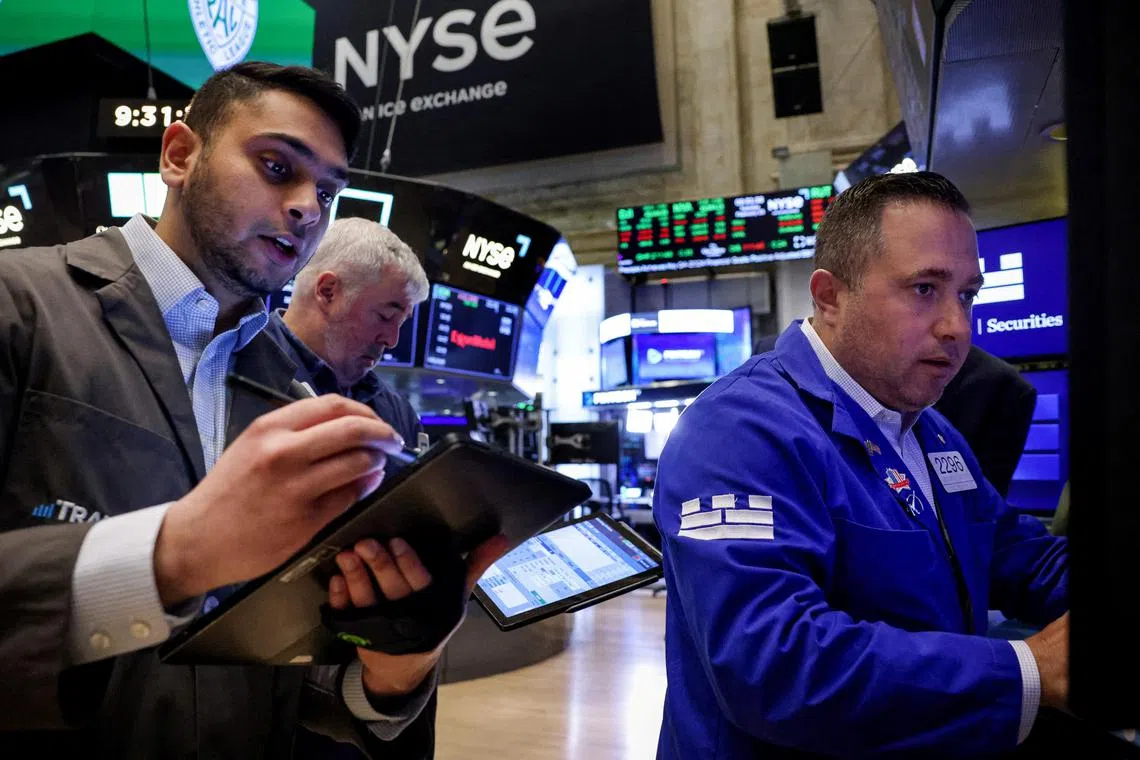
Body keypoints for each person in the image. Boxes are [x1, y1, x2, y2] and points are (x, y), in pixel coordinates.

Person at [0, 61, 503, 757]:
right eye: (276, 167)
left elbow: (286, 668)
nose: (307, 207)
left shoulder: (288, 386)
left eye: (327, 191)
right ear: (180, 155)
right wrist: (174, 554)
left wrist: (393, 671)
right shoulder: (20, 306)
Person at [653, 172, 1071, 758]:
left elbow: (1017, 554)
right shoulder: (739, 431)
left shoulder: (927, 429)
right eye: (925, 289)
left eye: (967, 294)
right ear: (829, 296)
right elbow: (771, 665)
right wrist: (1025, 670)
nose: (957, 327)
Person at [263, 217, 437, 758]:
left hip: (392, 670)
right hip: (278, 679)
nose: (393, 338)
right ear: (328, 290)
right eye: (387, 315)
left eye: (403, 320)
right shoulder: (243, 379)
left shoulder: (393, 410)